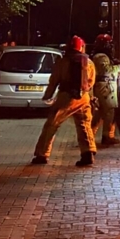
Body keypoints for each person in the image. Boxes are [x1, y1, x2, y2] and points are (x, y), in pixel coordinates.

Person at [31, 36, 97, 167]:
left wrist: (47, 96)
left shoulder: (63, 61)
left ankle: (42, 154)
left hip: (66, 97)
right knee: (84, 124)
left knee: (52, 124)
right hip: (84, 97)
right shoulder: (88, 62)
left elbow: (54, 80)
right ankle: (88, 153)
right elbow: (90, 82)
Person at [90, 34, 120, 146]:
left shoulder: (99, 56)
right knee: (109, 112)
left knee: (99, 114)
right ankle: (107, 136)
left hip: (104, 87)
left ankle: (90, 136)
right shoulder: (101, 57)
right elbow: (106, 70)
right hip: (105, 87)